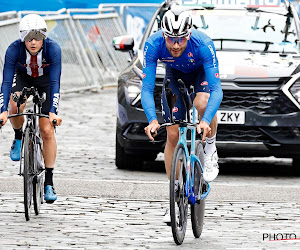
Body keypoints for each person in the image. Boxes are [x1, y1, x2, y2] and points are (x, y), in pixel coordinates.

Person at [141, 9, 223, 223]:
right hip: (175, 75)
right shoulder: (153, 44)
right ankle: (174, 196)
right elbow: (147, 87)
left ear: (188, 35)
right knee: (172, 135)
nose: (175, 45)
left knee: (201, 102)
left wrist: (204, 121)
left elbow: (217, 90)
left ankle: (210, 147)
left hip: (200, 74)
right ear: (163, 34)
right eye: (171, 39)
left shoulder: (203, 44)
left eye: (180, 40)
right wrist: (152, 119)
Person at [0, 14, 62, 203]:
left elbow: (55, 82)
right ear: (22, 38)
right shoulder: (13, 50)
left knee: (47, 131)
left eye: (37, 36)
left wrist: (53, 111)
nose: (33, 42)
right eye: (28, 37)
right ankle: (19, 136)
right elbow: (6, 82)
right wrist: (3, 110)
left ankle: (49, 182)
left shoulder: (53, 49)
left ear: (44, 36)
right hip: (23, 77)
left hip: (46, 82)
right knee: (15, 103)